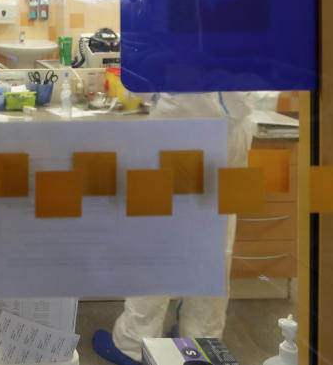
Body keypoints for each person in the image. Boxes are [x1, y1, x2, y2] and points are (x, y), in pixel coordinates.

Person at [92, 92, 256, 365]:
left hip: (177, 127)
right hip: (231, 132)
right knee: (213, 243)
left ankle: (134, 343)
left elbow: (139, 82)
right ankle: (201, 341)